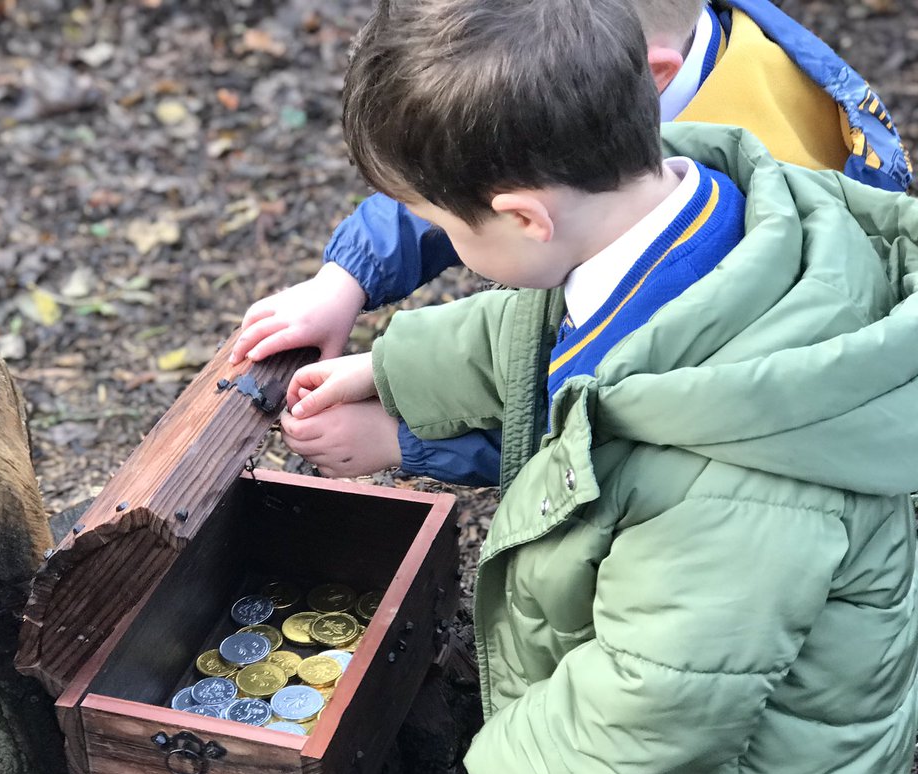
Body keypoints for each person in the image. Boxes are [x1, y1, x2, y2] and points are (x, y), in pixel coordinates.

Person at [281, 0, 918, 774]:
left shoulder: (730, 477)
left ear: (526, 218)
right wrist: (391, 375)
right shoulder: (671, 215)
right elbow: (543, 327)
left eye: (449, 229)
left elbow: (652, 707)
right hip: (672, 760)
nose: (454, 250)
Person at [232, 0, 912, 486]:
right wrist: (347, 284)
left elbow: (598, 440)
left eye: (446, 224)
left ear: (651, 76)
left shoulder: (704, 298)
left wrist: (402, 441)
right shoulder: (627, 128)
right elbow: (458, 155)